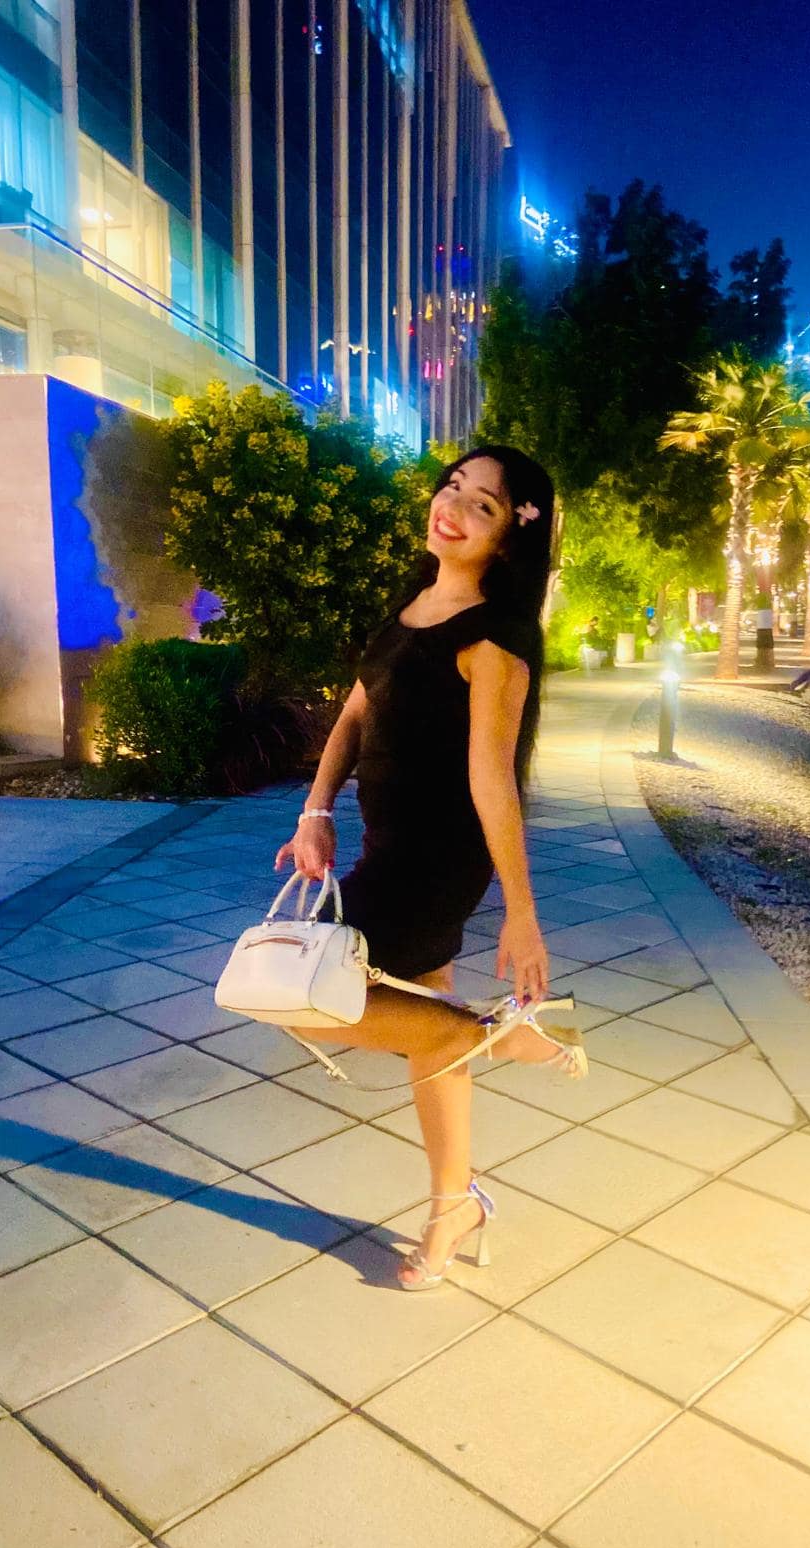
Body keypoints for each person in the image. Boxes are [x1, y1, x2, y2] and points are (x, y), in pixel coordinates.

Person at [274, 446, 587, 1291]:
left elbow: (493, 778)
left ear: (509, 538)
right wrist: (314, 812)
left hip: (437, 860)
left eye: (484, 505)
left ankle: (495, 1034)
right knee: (422, 1033)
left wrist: (522, 913)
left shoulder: (495, 640)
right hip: (384, 845)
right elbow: (354, 717)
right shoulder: (410, 608)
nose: (454, 506)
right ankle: (456, 1205)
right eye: (454, 487)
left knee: (308, 997)